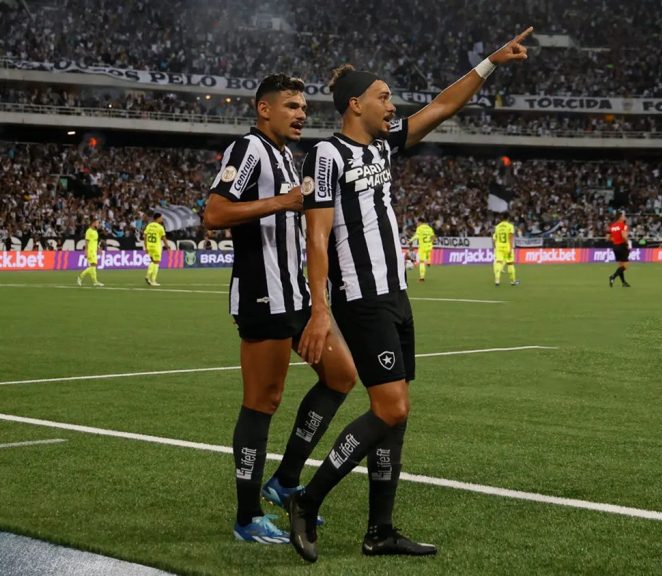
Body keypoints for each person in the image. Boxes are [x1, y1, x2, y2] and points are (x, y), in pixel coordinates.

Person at [290, 27, 534, 563]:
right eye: (382, 96)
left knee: (397, 414)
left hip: (396, 294)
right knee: (391, 408)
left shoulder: (381, 144)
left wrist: (491, 62)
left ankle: (379, 530)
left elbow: (443, 106)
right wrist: (320, 309)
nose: (391, 103)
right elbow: (316, 235)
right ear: (355, 104)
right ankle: (306, 500)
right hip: (361, 296)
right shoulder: (326, 157)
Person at [203, 74, 358, 545]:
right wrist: (284, 201)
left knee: (341, 376)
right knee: (262, 403)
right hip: (262, 295)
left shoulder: (287, 158)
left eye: (304, 107)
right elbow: (213, 213)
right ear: (263, 109)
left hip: (297, 297)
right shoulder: (248, 150)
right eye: (291, 105)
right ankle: (247, 517)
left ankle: (286, 480)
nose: (301, 114)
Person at [143, 213, 170, 286]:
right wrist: (167, 247)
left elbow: (145, 236)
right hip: (156, 246)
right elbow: (164, 238)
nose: (162, 219)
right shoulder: (160, 227)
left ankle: (149, 278)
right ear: (157, 218)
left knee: (153, 261)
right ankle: (151, 279)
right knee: (156, 262)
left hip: (149, 245)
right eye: (161, 218)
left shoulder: (149, 225)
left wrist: (145, 247)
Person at [607, 211, 631, 288]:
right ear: (620, 217)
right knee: (626, 266)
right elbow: (624, 236)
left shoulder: (612, 226)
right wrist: (627, 243)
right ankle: (613, 276)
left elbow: (608, 238)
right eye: (624, 216)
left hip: (615, 247)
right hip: (622, 246)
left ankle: (623, 283)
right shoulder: (623, 225)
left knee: (620, 265)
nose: (625, 217)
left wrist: (615, 240)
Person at [78, 218, 104, 287]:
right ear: (93, 223)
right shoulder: (89, 231)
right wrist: (85, 252)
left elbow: (96, 242)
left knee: (93, 266)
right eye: (97, 223)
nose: (98, 224)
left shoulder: (95, 231)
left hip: (94, 251)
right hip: (90, 251)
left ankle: (95, 281)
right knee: (93, 265)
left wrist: (99, 249)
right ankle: (80, 277)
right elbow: (86, 243)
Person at [492, 219, 518, 286]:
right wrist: (511, 248)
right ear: (508, 219)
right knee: (510, 263)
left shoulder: (497, 227)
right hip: (507, 247)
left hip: (499, 247)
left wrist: (495, 247)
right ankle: (513, 281)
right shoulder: (509, 226)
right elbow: (510, 238)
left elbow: (494, 239)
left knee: (498, 262)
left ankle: (497, 280)